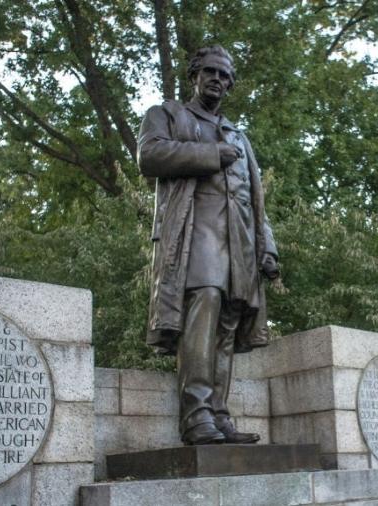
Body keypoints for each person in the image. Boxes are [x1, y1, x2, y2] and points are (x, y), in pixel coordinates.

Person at [137, 45, 279, 445]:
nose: (219, 80)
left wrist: (267, 247)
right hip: (195, 232)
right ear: (195, 76)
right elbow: (149, 155)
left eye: (226, 76)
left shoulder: (239, 135)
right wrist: (212, 154)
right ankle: (196, 416)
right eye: (211, 72)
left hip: (240, 241)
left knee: (228, 324)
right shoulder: (168, 115)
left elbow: (256, 198)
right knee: (205, 309)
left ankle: (218, 415)